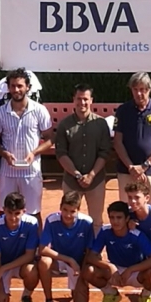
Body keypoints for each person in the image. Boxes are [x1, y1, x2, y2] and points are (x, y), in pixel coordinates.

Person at [0, 68, 53, 227]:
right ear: (8, 88)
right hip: (7, 172)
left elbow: (50, 139)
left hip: (31, 172)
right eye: (12, 86)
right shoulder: (0, 113)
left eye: (20, 86)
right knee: (4, 212)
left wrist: (34, 153)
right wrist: (4, 154)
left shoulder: (39, 110)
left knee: (33, 213)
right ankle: (4, 248)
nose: (16, 90)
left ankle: (37, 251)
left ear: (28, 87)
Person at [53, 83, 112, 233]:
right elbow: (61, 153)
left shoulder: (101, 124)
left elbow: (104, 152)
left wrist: (91, 175)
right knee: (69, 217)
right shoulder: (64, 125)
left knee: (96, 220)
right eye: (79, 99)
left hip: (96, 180)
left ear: (91, 100)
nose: (82, 103)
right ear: (74, 100)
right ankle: (73, 251)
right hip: (71, 181)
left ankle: (94, 253)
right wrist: (77, 174)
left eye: (85, 99)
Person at [84, 201, 151, 302]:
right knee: (89, 271)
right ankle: (110, 294)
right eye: (112, 217)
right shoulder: (105, 231)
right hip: (115, 271)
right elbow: (91, 256)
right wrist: (110, 266)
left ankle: (146, 295)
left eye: (119, 217)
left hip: (136, 272)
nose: (115, 221)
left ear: (127, 219)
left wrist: (131, 270)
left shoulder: (136, 235)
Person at [113, 71, 151, 207]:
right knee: (126, 212)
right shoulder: (122, 110)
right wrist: (131, 167)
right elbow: (117, 142)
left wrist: (144, 166)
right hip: (126, 172)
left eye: (143, 90)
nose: (139, 93)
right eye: (135, 89)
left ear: (149, 89)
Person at [38, 191, 95, 302]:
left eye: (72, 211)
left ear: (78, 210)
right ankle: (49, 300)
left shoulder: (87, 223)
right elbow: (42, 249)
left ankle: (75, 288)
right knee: (44, 262)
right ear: (60, 208)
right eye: (65, 210)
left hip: (78, 263)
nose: (68, 215)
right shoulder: (51, 220)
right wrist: (69, 259)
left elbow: (89, 252)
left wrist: (81, 276)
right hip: (59, 260)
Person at [0, 192, 39, 302]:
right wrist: (0, 289)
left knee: (32, 271)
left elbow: (30, 255)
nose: (13, 218)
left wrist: (4, 268)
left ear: (24, 211)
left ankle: (26, 296)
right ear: (4, 210)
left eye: (17, 213)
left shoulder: (32, 223)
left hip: (20, 265)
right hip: (0, 266)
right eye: (9, 213)